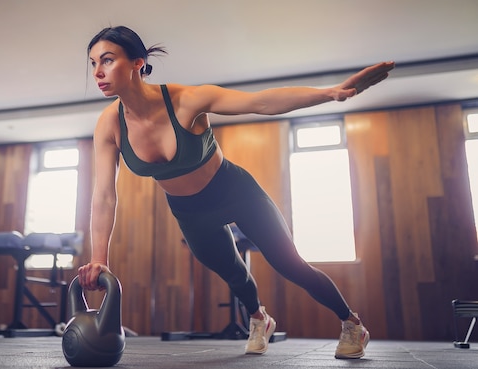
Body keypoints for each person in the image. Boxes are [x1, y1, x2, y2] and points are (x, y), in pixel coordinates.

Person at [77, 25, 395, 359]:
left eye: (108, 60)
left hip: (236, 192)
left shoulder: (186, 100)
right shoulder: (109, 124)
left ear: (137, 62)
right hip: (190, 212)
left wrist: (331, 93)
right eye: (93, 63)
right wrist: (99, 258)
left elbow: (260, 103)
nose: (98, 71)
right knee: (232, 272)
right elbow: (103, 195)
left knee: (290, 264)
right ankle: (259, 318)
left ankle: (352, 323)